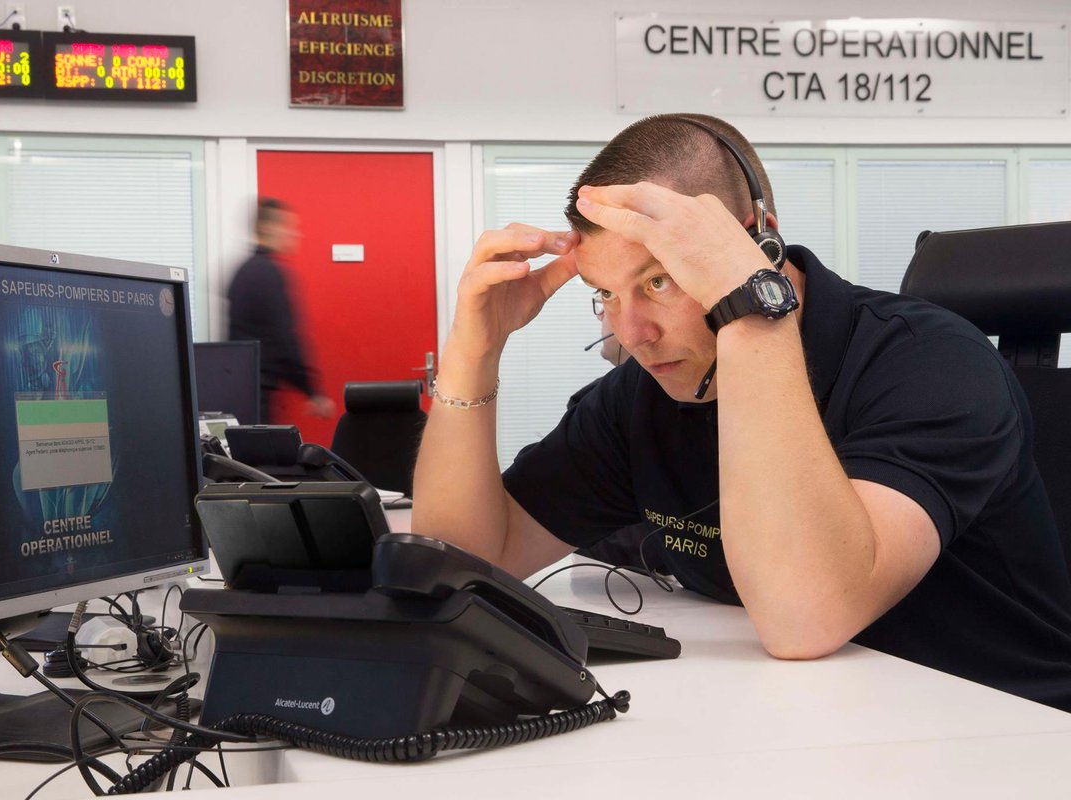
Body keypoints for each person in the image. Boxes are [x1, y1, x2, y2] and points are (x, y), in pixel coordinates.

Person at [412, 113, 1071, 711]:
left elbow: (805, 619)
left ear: (763, 247)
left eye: (659, 280)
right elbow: (462, 564)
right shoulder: (643, 397)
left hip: (999, 727)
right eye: (606, 295)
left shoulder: (931, 363)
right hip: (798, 717)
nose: (632, 333)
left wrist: (750, 305)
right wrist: (476, 347)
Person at [227, 198, 336, 423]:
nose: (295, 234)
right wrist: (312, 391)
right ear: (267, 227)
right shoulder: (269, 274)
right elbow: (284, 340)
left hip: (240, 388)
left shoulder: (243, 271)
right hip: (258, 393)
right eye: (288, 227)